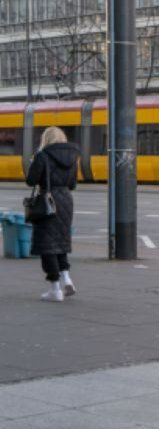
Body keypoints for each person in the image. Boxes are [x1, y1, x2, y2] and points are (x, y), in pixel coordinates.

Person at [25, 127, 80, 302]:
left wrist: (34, 162)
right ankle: (67, 279)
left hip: (48, 202)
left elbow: (31, 181)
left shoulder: (43, 156)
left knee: (47, 244)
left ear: (45, 139)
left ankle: (55, 290)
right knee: (61, 242)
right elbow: (72, 184)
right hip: (66, 200)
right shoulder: (73, 157)